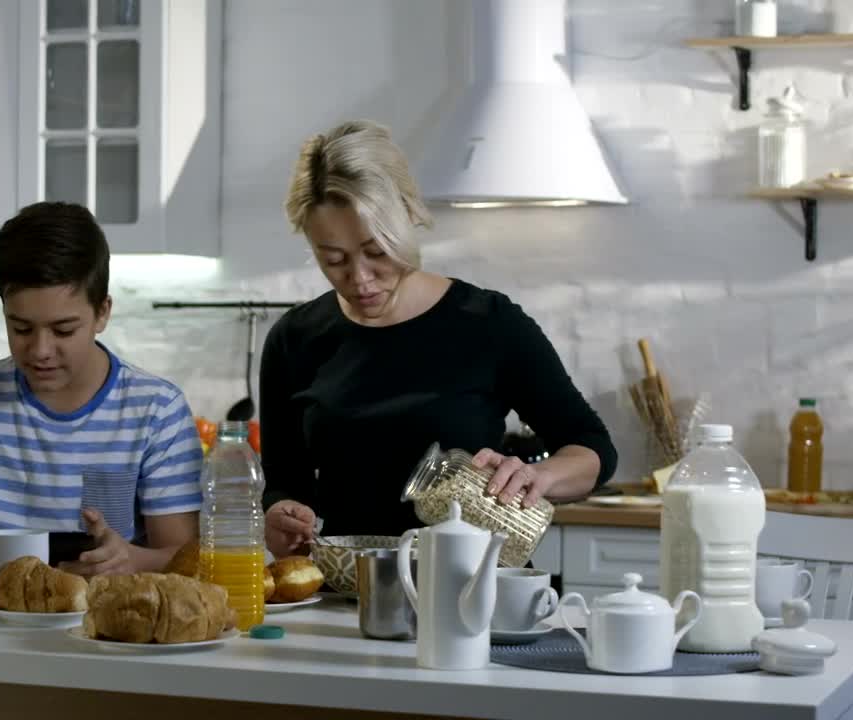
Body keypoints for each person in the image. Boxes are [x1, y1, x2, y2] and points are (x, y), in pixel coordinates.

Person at [261, 120, 618, 557]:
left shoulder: (488, 323)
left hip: (469, 586)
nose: (360, 279)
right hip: (344, 592)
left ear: (408, 217)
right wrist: (281, 513)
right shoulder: (294, 338)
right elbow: (285, 482)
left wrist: (539, 477)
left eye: (377, 252)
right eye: (333, 260)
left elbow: (592, 447)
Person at [0, 202, 204, 577]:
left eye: (63, 330)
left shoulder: (157, 410)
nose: (41, 351)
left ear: (103, 313)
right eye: (21, 329)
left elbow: (186, 559)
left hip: (106, 627)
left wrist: (130, 559)